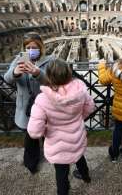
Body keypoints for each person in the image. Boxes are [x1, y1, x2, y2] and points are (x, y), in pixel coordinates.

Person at [27, 59, 95, 195]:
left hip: (57, 142)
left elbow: (34, 132)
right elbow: (90, 107)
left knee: (61, 172)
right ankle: (86, 177)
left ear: (48, 76)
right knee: (79, 156)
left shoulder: (42, 99)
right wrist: (78, 118)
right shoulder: (80, 92)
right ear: (68, 73)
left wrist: (46, 129)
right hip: (76, 135)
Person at [3, 32, 53, 174]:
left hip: (45, 107)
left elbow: (52, 82)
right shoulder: (19, 59)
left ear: (41, 47)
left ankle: (51, 155)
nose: (31, 50)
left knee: (48, 134)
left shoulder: (50, 60)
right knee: (30, 137)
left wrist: (38, 73)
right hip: (27, 108)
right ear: (25, 48)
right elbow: (7, 78)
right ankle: (31, 163)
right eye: (28, 47)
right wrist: (15, 72)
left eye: (34, 47)